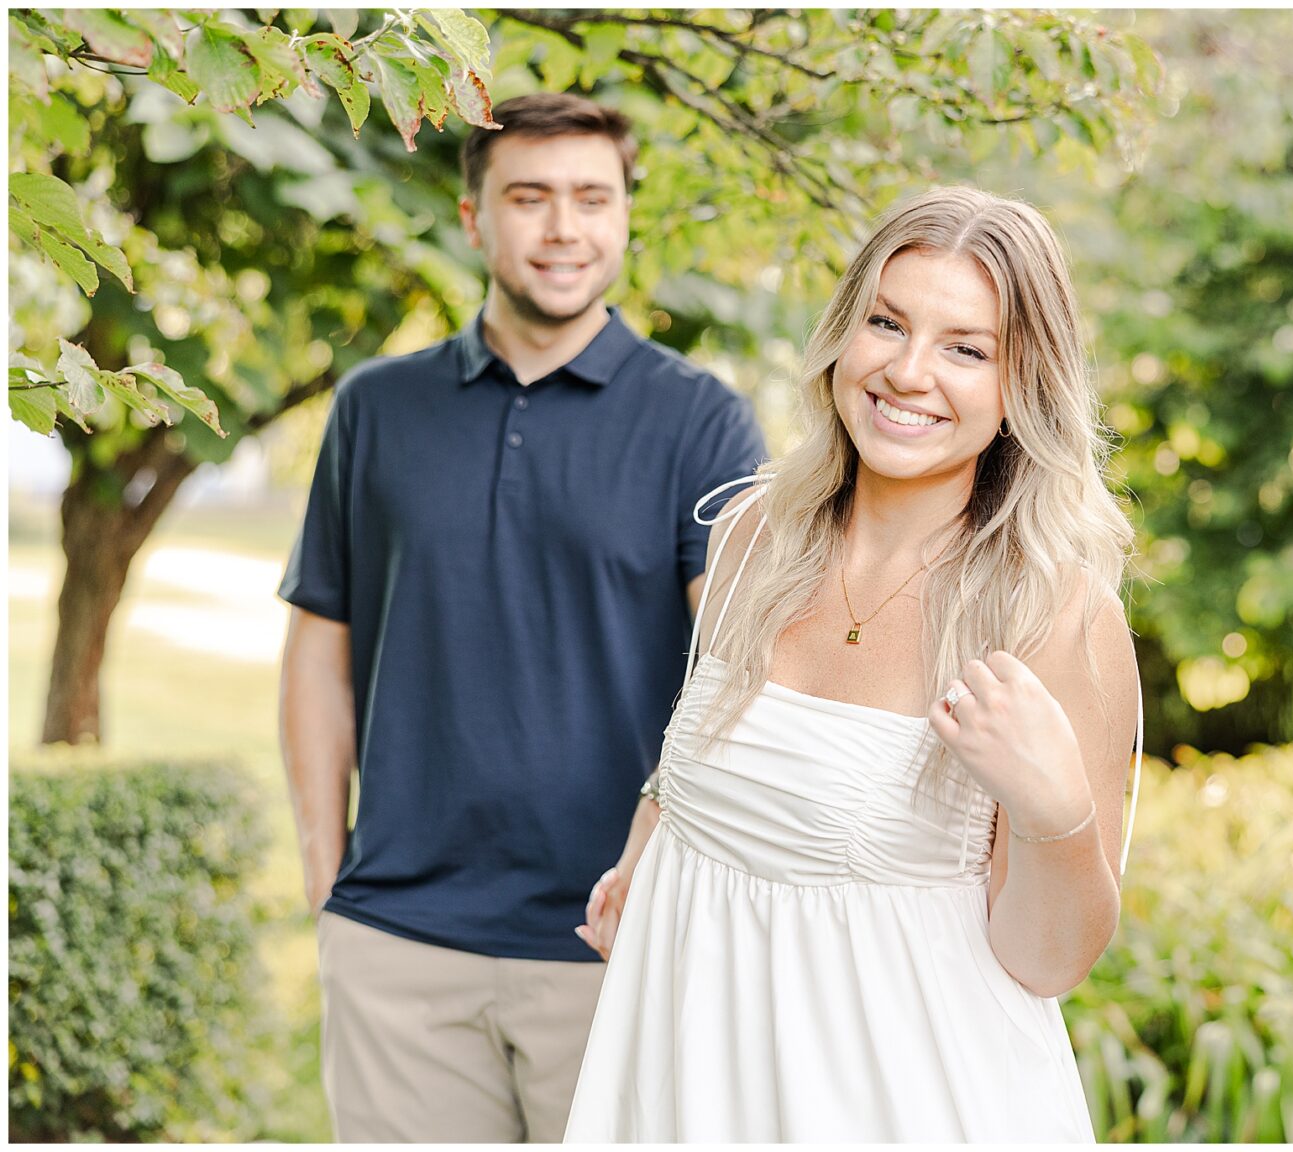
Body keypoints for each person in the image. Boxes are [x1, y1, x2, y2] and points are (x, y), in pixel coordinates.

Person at [564, 186, 1142, 1142]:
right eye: (886, 322)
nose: (908, 371)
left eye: (966, 347)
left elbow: (1048, 962)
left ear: (1022, 384)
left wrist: (1055, 812)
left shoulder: (1051, 613)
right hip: (690, 1071)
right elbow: (697, 738)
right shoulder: (755, 533)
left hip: (902, 1096)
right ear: (844, 332)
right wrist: (642, 861)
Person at [276, 93, 766, 1142]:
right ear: (471, 218)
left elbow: (739, 670)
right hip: (400, 944)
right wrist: (329, 875)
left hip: (613, 944)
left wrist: (655, 871)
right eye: (529, 197)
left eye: (592, 198)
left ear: (626, 214)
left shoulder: (702, 423)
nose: (563, 229)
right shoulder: (375, 409)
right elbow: (321, 649)